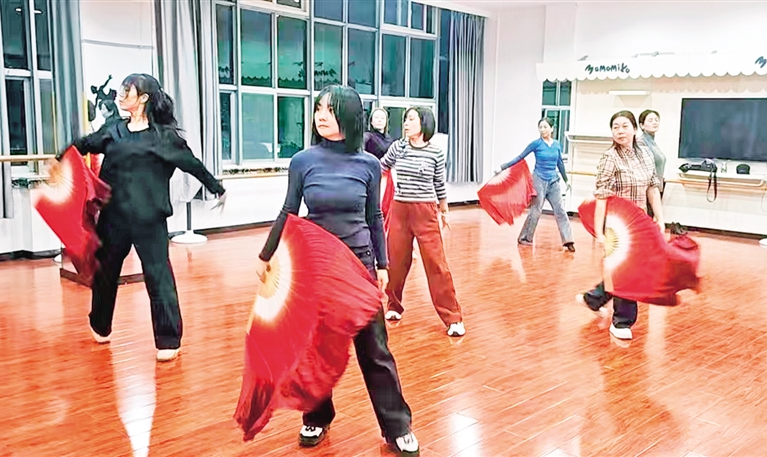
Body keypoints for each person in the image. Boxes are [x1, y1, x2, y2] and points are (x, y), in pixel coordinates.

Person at [256, 85, 418, 456]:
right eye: (318, 109)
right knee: (314, 346)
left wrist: (382, 264)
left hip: (359, 264)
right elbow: (289, 210)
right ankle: (316, 415)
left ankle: (397, 426)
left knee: (375, 348)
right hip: (316, 265)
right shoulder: (303, 161)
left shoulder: (369, 164)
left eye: (329, 109)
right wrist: (266, 254)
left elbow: (374, 216)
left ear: (349, 116)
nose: (321, 115)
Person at [62, 73, 226, 362]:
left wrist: (217, 188)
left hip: (149, 220)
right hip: (113, 218)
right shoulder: (113, 130)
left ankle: (168, 338)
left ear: (144, 98)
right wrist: (60, 160)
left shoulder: (165, 138)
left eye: (128, 90)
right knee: (105, 274)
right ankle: (100, 324)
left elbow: (193, 165)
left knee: (158, 276)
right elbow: (84, 144)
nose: (121, 94)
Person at [575, 110, 665, 341]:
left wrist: (660, 218)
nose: (620, 131)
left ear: (635, 129)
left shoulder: (645, 154)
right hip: (617, 223)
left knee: (630, 268)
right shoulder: (610, 157)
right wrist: (599, 232)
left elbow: (652, 187)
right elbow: (601, 196)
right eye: (615, 127)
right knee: (627, 270)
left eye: (625, 126)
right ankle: (621, 322)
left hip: (640, 221)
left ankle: (594, 298)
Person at [380, 107, 465, 337]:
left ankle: (453, 317)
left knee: (436, 263)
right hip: (400, 209)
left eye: (411, 119)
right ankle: (393, 305)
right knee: (396, 261)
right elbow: (381, 167)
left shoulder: (435, 152)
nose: (406, 124)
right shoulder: (398, 147)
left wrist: (444, 211)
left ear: (424, 123)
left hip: (425, 211)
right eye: (405, 120)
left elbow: (439, 184)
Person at [495, 117, 575, 252]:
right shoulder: (536, 144)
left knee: (560, 210)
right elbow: (520, 157)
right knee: (536, 210)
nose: (542, 129)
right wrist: (503, 167)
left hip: (553, 181)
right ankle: (525, 238)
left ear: (552, 129)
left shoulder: (556, 145)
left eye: (545, 127)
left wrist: (566, 180)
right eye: (540, 127)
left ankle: (568, 240)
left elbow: (560, 163)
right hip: (539, 180)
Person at [637, 110, 666, 217]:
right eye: (650, 120)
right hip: (647, 190)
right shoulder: (641, 142)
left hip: (657, 187)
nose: (654, 122)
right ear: (642, 125)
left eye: (656, 120)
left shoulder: (653, 142)